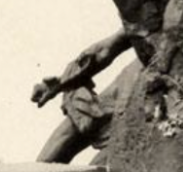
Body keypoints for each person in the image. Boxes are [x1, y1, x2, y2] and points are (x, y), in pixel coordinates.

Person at [32, 30, 134, 162]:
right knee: (47, 159)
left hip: (142, 102)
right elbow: (105, 49)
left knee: (105, 166)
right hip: (125, 92)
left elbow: (105, 50)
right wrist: (63, 82)